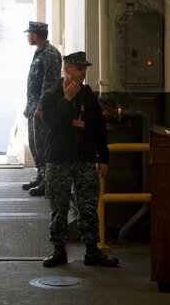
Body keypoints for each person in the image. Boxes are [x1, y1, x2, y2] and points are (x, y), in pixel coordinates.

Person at [38, 51, 119, 268]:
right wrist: (66, 100)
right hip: (59, 160)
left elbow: (98, 129)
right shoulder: (51, 95)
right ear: (67, 69)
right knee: (59, 207)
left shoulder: (88, 95)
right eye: (79, 69)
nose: (83, 73)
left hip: (84, 159)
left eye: (85, 69)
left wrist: (103, 158)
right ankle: (58, 250)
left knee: (89, 206)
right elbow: (52, 122)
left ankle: (92, 250)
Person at [22, 21, 63, 197]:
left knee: (44, 144)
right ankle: (41, 174)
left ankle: (48, 181)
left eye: (29, 33)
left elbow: (50, 82)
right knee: (35, 144)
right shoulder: (39, 52)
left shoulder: (50, 54)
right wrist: (29, 106)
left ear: (35, 35)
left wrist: (42, 106)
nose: (27, 36)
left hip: (43, 108)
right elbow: (33, 83)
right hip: (34, 106)